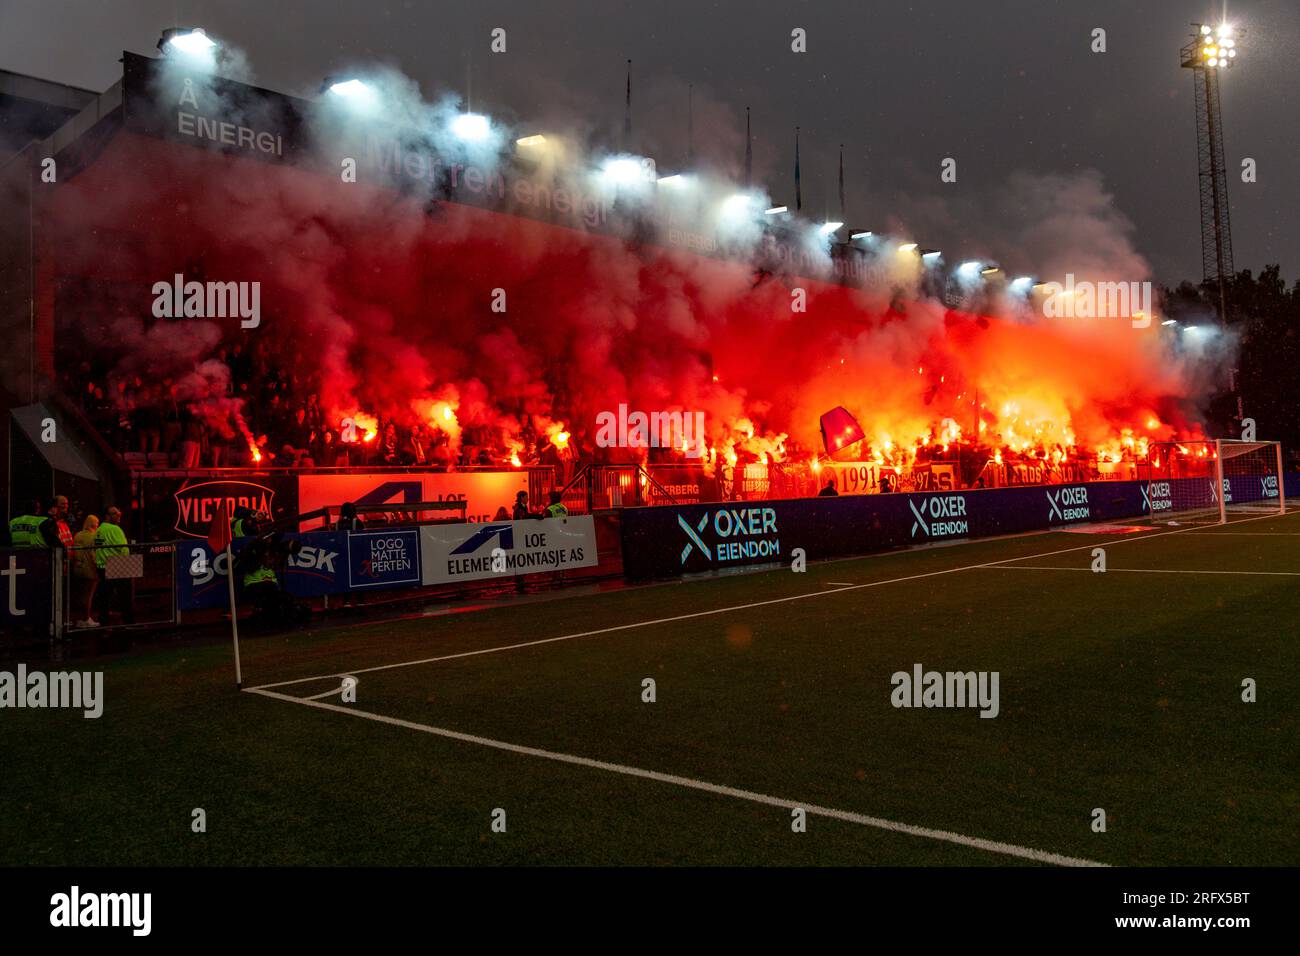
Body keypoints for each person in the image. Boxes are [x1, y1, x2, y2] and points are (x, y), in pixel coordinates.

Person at [93, 506, 134, 626]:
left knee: (105, 596)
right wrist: (127, 564)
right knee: (125, 595)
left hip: (102, 566)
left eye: (119, 512)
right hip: (117, 564)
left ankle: (104, 620)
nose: (119, 515)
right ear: (107, 516)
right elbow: (123, 549)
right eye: (115, 513)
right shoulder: (115, 529)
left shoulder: (99, 530)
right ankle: (129, 621)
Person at [71, 515, 100, 627]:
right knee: (88, 595)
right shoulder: (93, 537)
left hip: (78, 568)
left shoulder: (78, 535)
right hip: (90, 570)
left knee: (80, 594)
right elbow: (94, 555)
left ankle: (80, 618)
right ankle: (86, 618)